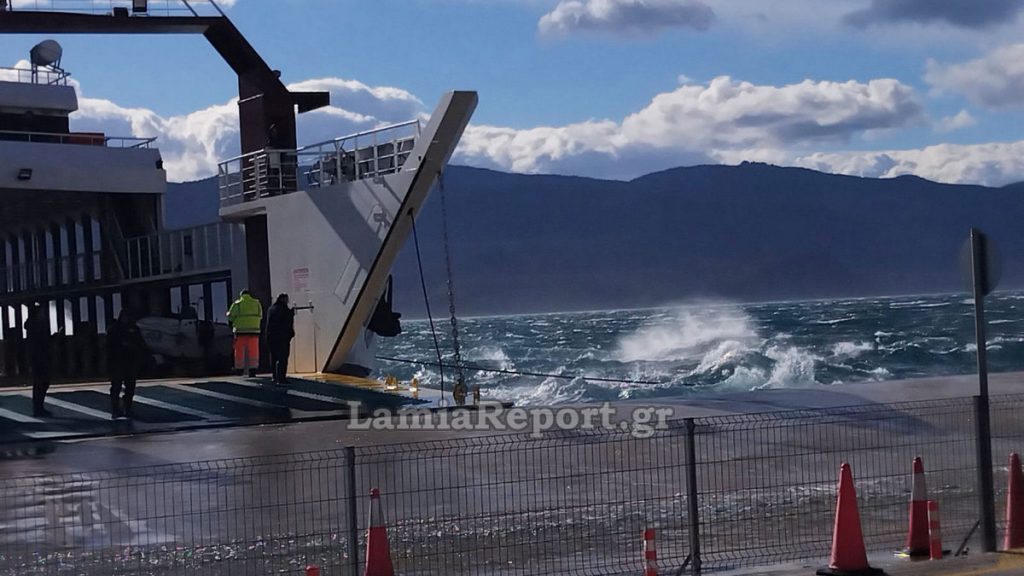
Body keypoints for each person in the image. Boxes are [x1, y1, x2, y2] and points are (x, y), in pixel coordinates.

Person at [107, 310, 147, 419]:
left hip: (130, 361)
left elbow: (141, 344)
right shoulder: (114, 329)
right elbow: (109, 346)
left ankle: (127, 409)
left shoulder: (134, 329)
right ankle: (115, 410)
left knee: (130, 387)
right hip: (117, 362)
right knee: (116, 387)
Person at [227, 289, 263, 377]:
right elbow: (261, 316)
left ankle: (239, 370)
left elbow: (230, 317)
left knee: (239, 351)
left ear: (241, 295)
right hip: (254, 331)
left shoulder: (237, 304)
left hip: (240, 332)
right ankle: (253, 370)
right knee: (254, 351)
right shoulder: (257, 303)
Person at [24, 302, 52, 417]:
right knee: (42, 382)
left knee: (39, 383)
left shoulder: (31, 326)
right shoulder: (37, 327)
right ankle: (39, 408)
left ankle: (38, 407)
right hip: (40, 358)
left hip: (35, 357)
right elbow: (42, 343)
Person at [265, 293, 295, 385]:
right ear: (283, 299)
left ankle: (274, 376)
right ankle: (281, 378)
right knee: (283, 358)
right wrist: (291, 314)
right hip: (282, 338)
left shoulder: (271, 309)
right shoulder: (284, 310)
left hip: (271, 337)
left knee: (273, 357)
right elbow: (287, 323)